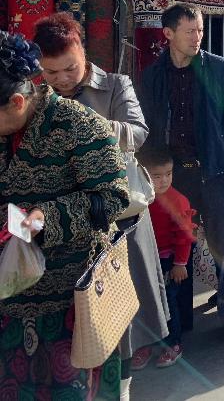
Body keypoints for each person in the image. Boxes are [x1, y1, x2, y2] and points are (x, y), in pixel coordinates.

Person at [33, 13, 169, 391]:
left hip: (118, 219)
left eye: (69, 68)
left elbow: (139, 133)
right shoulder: (38, 95)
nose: (61, 79)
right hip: (65, 220)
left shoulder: (114, 85)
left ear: (83, 52)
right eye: (51, 72)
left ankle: (122, 385)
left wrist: (89, 126)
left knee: (117, 310)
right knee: (75, 319)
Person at [0, 31, 129, 399]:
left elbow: (112, 196)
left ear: (17, 102)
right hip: (8, 298)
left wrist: (47, 217)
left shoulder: (77, 124)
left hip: (69, 301)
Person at [138, 3, 224, 340]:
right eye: (190, 31)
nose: (197, 37)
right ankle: (180, 320)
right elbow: (148, 125)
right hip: (174, 176)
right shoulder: (153, 74)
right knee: (177, 245)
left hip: (216, 171)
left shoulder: (219, 68)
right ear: (169, 33)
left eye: (200, 30)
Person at [141, 147, 196, 368]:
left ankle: (172, 344)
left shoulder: (178, 200)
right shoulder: (140, 197)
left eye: (169, 174)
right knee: (144, 302)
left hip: (168, 262)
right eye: (156, 176)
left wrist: (180, 263)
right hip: (145, 259)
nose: (164, 180)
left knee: (168, 303)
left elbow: (185, 235)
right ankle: (144, 344)